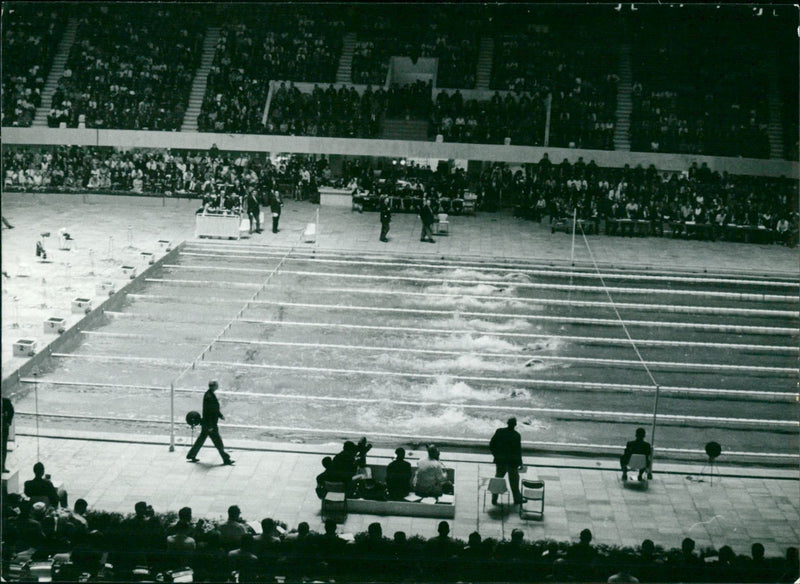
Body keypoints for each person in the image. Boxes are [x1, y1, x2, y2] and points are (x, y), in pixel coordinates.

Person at [186, 380, 234, 465]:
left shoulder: (209, 394)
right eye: (217, 385)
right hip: (210, 424)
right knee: (218, 442)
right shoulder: (209, 397)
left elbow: (214, 410)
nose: (218, 386)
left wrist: (220, 415)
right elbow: (210, 412)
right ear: (214, 386)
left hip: (207, 424)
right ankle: (226, 459)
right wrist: (211, 426)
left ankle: (191, 455)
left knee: (201, 440)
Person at [489, 417, 523, 505]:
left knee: (498, 479)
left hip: (501, 461)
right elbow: (518, 451)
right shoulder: (516, 435)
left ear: (507, 423)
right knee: (514, 482)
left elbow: (492, 444)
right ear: (515, 425)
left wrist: (496, 455)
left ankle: (494, 498)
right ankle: (517, 498)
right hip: (512, 462)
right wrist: (520, 463)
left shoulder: (500, 432)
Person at [2, 395, 14, 472]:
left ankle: (2, 466)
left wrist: (8, 422)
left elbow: (11, 411)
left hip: (3, 428)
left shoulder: (5, 401)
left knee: (3, 448)